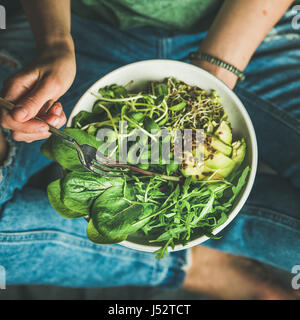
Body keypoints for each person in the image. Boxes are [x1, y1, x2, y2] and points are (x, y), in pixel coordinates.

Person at [0, 0, 300, 299]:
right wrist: (53, 42)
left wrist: (212, 75)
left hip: (248, 28)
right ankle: (190, 262)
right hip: (78, 26)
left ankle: (211, 227)